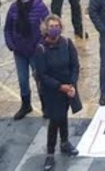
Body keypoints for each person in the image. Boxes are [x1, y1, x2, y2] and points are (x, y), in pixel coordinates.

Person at [33, 15, 80, 170]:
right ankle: (50, 153)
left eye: (57, 25)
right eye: (51, 26)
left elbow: (75, 64)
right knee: (55, 120)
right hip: (52, 91)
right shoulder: (41, 49)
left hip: (68, 88)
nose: (55, 29)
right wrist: (60, 86)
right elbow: (42, 74)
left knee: (63, 115)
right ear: (46, 29)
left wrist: (72, 84)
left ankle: (65, 142)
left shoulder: (67, 43)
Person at [5, 0, 50, 119]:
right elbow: (8, 28)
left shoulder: (40, 7)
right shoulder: (13, 8)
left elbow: (47, 28)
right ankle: (26, 105)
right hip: (20, 52)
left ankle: (45, 106)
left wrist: (40, 45)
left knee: (39, 78)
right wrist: (11, 44)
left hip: (35, 51)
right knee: (22, 79)